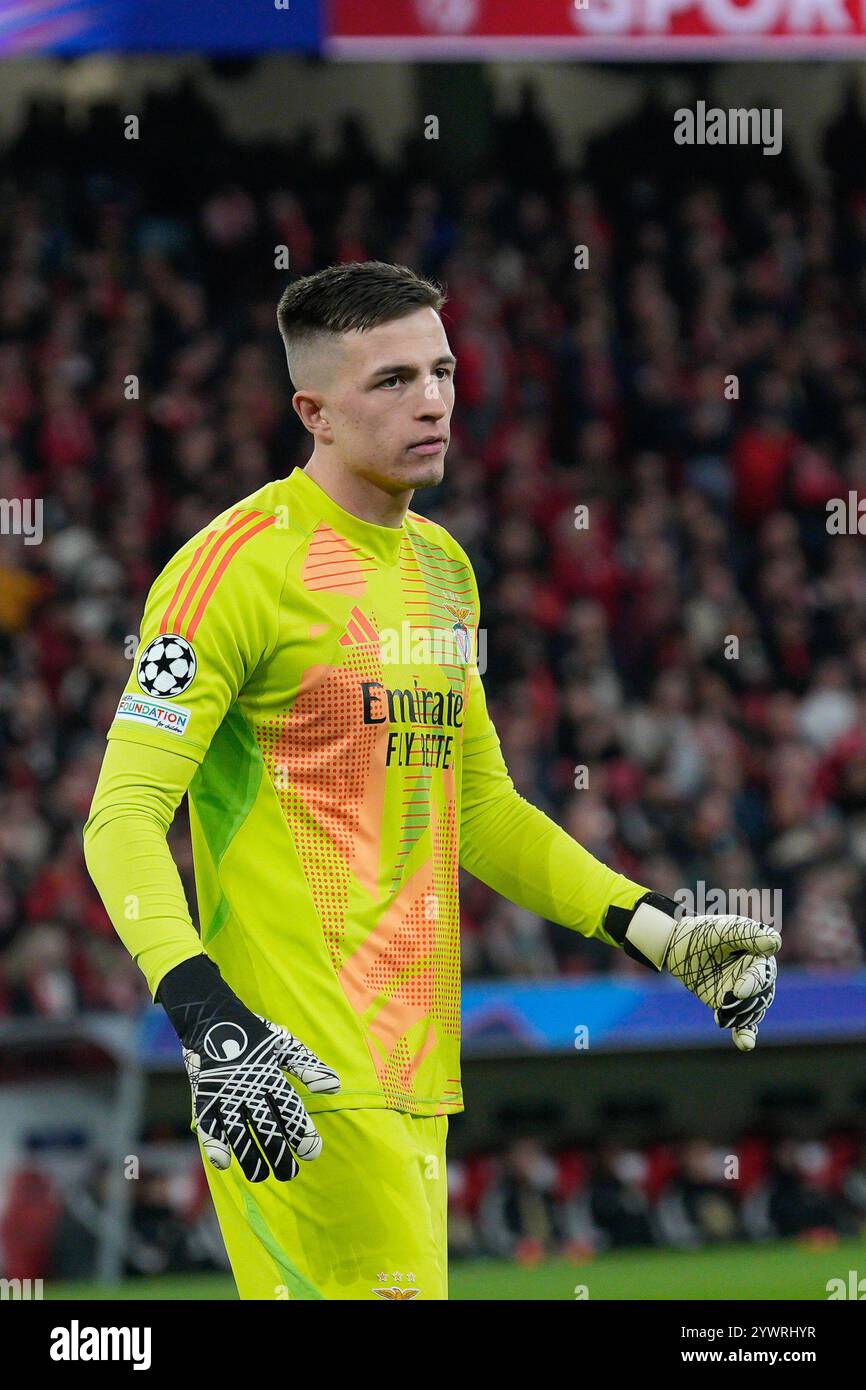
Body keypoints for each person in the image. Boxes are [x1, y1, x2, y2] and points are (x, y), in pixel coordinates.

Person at [83, 260, 780, 1300]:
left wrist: (657, 930)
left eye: (442, 371)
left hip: (414, 1066)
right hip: (292, 1071)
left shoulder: (442, 571)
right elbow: (121, 817)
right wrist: (207, 1018)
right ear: (311, 411)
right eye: (394, 380)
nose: (433, 401)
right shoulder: (233, 568)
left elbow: (480, 807)